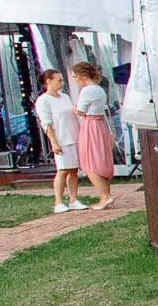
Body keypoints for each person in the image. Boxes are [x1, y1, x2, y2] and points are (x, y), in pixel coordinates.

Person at [33, 69, 84, 212]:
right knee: (63, 170)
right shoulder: (43, 100)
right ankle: (58, 202)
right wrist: (54, 142)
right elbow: (46, 123)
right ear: (49, 81)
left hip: (73, 136)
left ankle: (73, 199)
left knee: (73, 170)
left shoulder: (65, 97)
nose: (62, 83)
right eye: (59, 80)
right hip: (61, 138)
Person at [70, 61, 116, 210]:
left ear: (82, 76)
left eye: (76, 77)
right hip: (100, 124)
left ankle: (105, 196)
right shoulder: (99, 89)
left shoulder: (87, 90)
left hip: (91, 125)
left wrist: (74, 108)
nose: (75, 80)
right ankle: (106, 194)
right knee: (100, 159)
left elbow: (81, 110)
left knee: (90, 161)